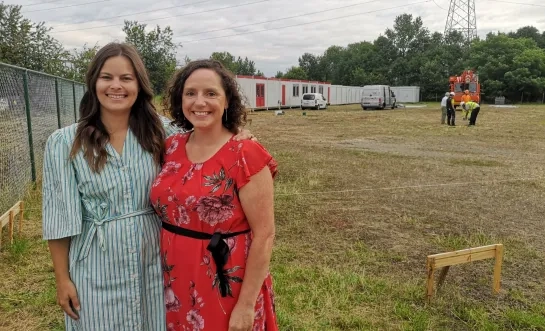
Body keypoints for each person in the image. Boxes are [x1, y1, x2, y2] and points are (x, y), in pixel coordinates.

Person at [42, 42, 256, 331]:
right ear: (93, 82)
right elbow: (59, 219)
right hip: (96, 267)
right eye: (107, 77)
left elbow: (207, 140)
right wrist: (62, 279)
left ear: (139, 85)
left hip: (156, 263)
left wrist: (237, 135)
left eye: (126, 78)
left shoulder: (164, 133)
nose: (116, 86)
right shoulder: (66, 143)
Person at [149, 59, 279, 331]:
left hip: (224, 281)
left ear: (227, 101)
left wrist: (245, 305)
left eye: (211, 93)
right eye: (190, 93)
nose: (200, 102)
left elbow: (264, 235)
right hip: (174, 277)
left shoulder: (245, 153)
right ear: (179, 99)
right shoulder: (170, 146)